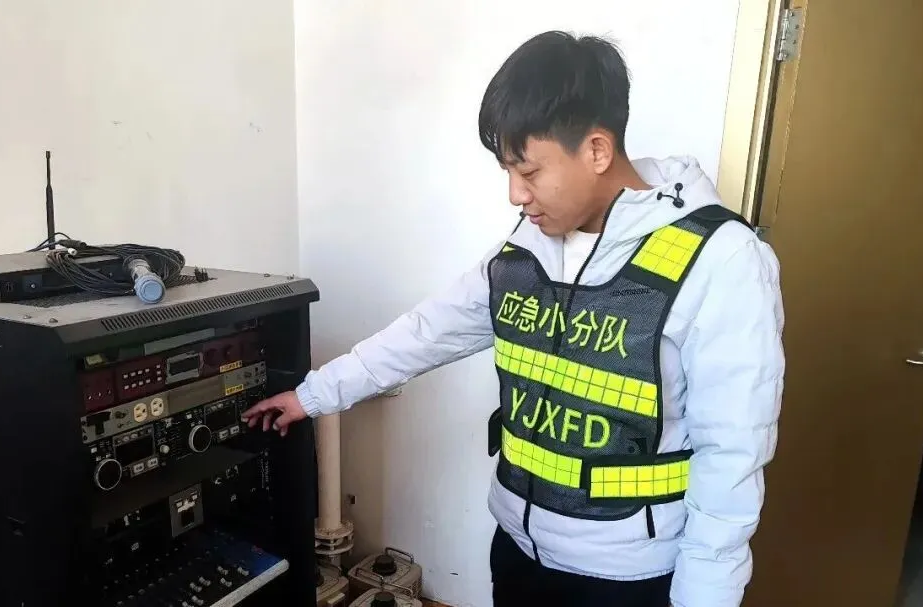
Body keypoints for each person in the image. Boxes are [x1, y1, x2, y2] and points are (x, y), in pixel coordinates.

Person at [242, 30, 784, 607]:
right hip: (518, 552)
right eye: (507, 170)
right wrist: (313, 395)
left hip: (627, 577)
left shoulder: (722, 260)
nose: (514, 195)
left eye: (528, 172)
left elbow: (732, 460)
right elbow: (430, 331)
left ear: (596, 151)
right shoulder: (530, 245)